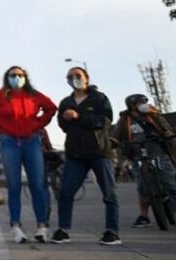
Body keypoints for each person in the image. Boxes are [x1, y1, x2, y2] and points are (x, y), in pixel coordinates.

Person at [0, 66, 57, 243]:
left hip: (32, 141)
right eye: (13, 75)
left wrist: (38, 124)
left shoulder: (34, 95)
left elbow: (51, 108)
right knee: (14, 186)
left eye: (20, 75)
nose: (17, 77)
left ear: (26, 77)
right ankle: (16, 226)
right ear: (7, 77)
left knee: (38, 185)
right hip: (9, 142)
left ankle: (42, 226)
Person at [51, 67, 120, 246]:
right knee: (65, 192)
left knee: (109, 193)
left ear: (87, 78)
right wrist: (66, 118)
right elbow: (63, 125)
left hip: (99, 152)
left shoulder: (99, 98)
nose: (74, 79)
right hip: (75, 154)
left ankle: (112, 232)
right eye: (69, 77)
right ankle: (63, 230)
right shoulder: (66, 102)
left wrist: (78, 117)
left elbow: (104, 122)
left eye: (77, 76)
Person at [111, 94, 176, 228]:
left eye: (144, 102)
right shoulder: (124, 120)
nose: (144, 104)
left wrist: (168, 133)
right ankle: (144, 216)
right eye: (140, 102)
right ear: (132, 105)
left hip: (157, 150)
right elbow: (116, 136)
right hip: (137, 154)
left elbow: (166, 128)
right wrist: (111, 143)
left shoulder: (153, 115)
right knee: (142, 187)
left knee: (169, 184)